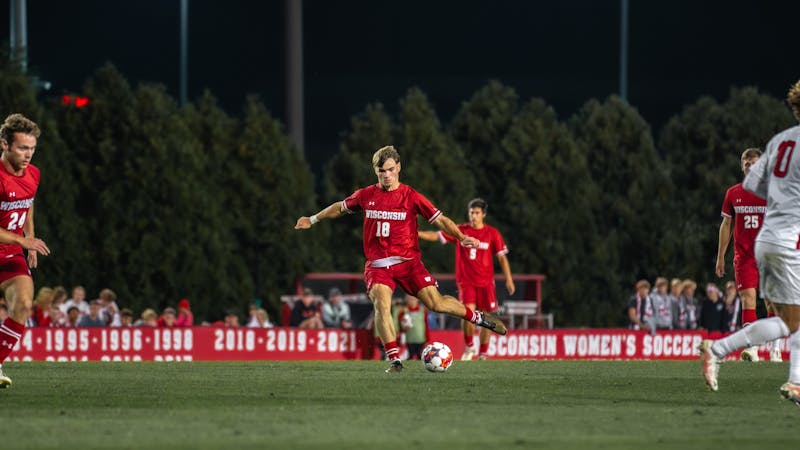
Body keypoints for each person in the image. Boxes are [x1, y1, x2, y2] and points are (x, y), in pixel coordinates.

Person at [295, 145, 507, 373]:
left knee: (436, 304)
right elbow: (339, 208)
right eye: (380, 171)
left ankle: (477, 317)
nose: (386, 175)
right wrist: (312, 218)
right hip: (378, 266)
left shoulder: (411, 196)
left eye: (389, 170)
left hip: (409, 263)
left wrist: (461, 236)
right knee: (381, 303)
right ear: (375, 171)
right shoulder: (366, 195)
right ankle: (395, 360)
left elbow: (440, 220)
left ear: (398, 167)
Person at [700, 79, 800, 403]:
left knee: (789, 321)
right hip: (787, 240)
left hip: (769, 241)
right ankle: (793, 379)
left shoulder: (782, 142)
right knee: (789, 318)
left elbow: (754, 185)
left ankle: (719, 350)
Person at [419, 197, 514, 360]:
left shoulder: (492, 233)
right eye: (471, 212)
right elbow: (437, 236)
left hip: (486, 283)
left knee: (487, 317)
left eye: (477, 213)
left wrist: (509, 279)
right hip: (466, 282)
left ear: (483, 214)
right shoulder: (460, 230)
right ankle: (470, 347)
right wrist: (418, 233)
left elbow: (502, 258)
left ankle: (483, 354)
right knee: (468, 313)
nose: (474, 216)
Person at [716, 147, 782, 362]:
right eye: (747, 165)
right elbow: (726, 224)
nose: (751, 168)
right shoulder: (733, 193)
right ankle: (752, 348)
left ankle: (775, 349)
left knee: (772, 302)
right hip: (744, 257)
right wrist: (720, 257)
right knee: (748, 298)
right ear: (742, 167)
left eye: (755, 164)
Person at [0, 114, 51, 387]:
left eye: (32, 148)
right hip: (11, 245)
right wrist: (23, 241)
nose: (28, 154)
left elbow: (28, 203)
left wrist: (29, 237)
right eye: (22, 148)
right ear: (5, 145)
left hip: (9, 255)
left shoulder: (33, 174)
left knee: (23, 304)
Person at [397, 294, 428, 360]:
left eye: (413, 299)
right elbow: (400, 325)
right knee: (411, 355)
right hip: (410, 338)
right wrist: (403, 329)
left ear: (417, 300)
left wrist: (427, 338)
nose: (412, 301)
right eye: (410, 299)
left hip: (420, 338)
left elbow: (426, 324)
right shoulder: (403, 311)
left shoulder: (422, 311)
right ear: (407, 300)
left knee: (420, 355)